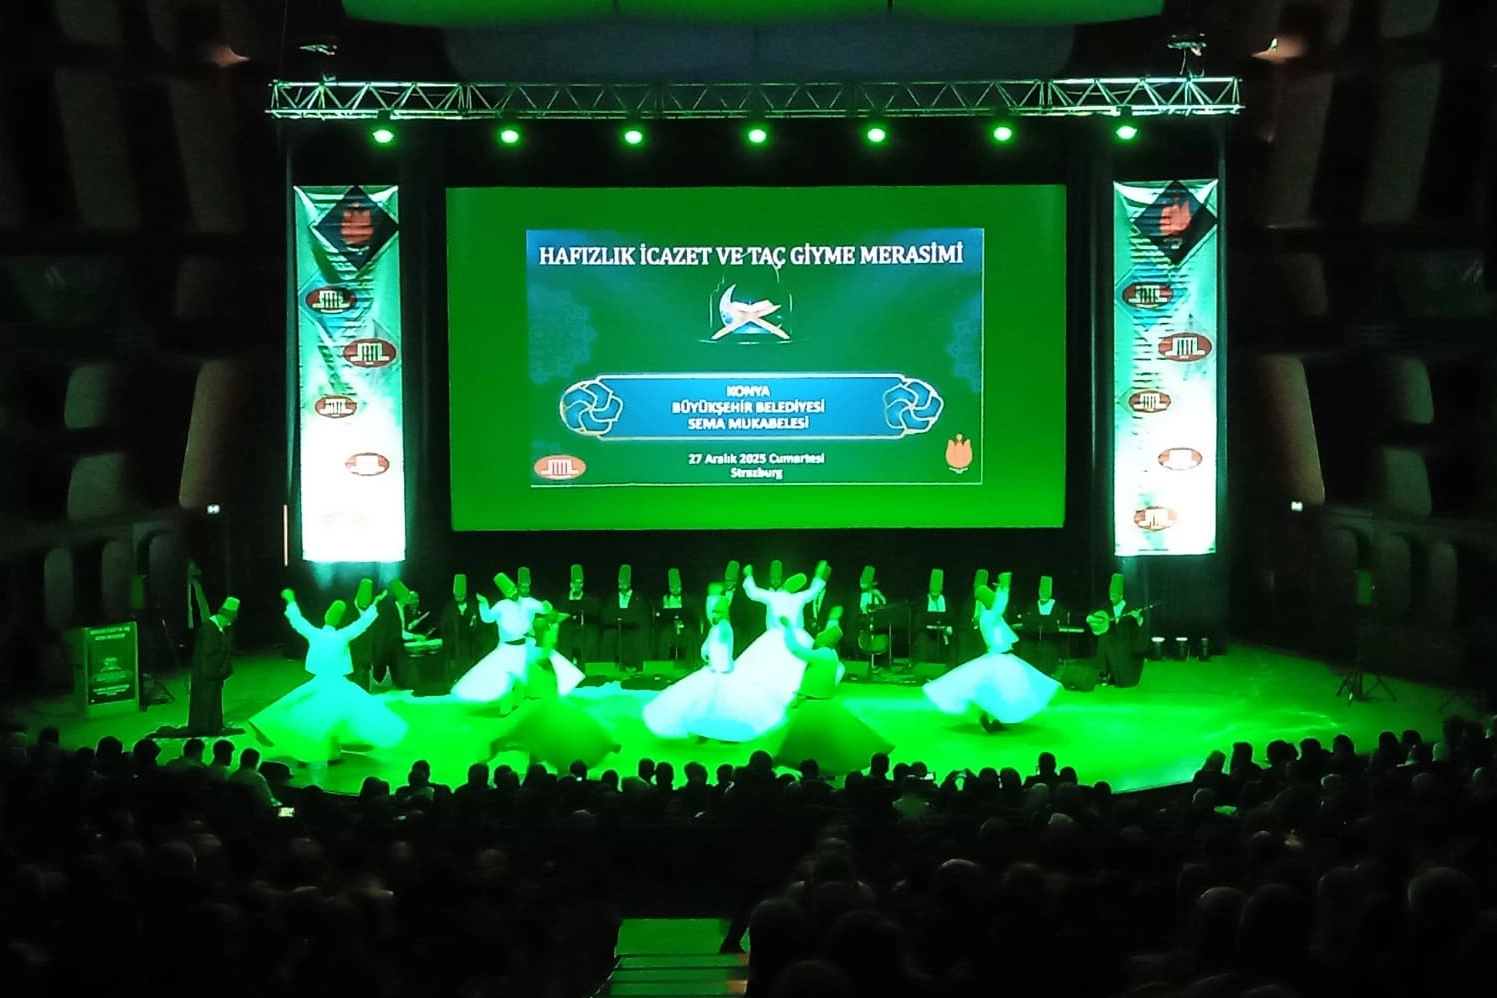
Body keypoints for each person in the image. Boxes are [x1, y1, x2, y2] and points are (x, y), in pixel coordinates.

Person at [247, 588, 409, 767]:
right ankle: (326, 752)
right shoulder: (342, 635)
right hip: (337, 684)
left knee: (311, 717)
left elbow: (297, 621)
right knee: (337, 718)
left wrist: (291, 602)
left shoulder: (315, 633)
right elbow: (361, 624)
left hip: (320, 683)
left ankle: (322, 751)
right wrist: (375, 604)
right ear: (339, 620)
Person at [642, 584, 788, 742]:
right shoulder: (715, 628)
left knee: (724, 706)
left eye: (718, 612)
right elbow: (708, 645)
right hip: (713, 670)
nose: (714, 615)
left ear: (724, 613)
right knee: (705, 704)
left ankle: (726, 733)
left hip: (722, 671)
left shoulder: (725, 628)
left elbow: (724, 648)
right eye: (713, 612)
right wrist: (706, 653)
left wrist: (720, 665)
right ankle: (703, 730)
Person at [922, 572, 1060, 731]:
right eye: (990, 597)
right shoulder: (988, 617)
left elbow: (999, 606)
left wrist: (1002, 590)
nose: (993, 599)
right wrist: (1005, 587)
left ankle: (993, 718)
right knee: (1001, 689)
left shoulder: (988, 616)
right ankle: (989, 717)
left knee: (997, 690)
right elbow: (1000, 605)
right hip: (999, 658)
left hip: (1000, 657)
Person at [485, 607, 620, 769]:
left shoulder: (538, 652)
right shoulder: (532, 651)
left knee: (549, 732)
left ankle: (603, 743)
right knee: (532, 732)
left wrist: (553, 625)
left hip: (545, 701)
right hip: (538, 701)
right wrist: (554, 626)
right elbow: (544, 651)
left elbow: (547, 651)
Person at [771, 614, 891, 775]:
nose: (817, 637)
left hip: (813, 703)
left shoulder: (822, 655)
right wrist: (833, 619)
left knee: (797, 737)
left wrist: (788, 629)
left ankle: (785, 762)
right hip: (817, 701)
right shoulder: (831, 655)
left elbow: (795, 649)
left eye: (821, 635)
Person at [733, 560, 831, 702]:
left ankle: (784, 688)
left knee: (782, 663)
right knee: (790, 663)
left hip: (781, 635)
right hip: (792, 635)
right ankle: (790, 688)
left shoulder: (776, 596)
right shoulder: (797, 597)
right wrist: (820, 576)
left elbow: (753, 592)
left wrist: (748, 575)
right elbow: (814, 591)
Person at [452, 573, 546, 706]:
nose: (513, 592)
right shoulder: (501, 605)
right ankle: (506, 705)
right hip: (506, 648)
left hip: (523, 645)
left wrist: (546, 607)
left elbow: (541, 607)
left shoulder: (526, 602)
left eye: (513, 589)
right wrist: (484, 604)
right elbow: (487, 618)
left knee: (522, 675)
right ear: (505, 594)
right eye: (509, 591)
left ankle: (519, 701)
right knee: (507, 679)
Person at [187, 596, 239, 735]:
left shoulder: (218, 628)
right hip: (206, 674)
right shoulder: (209, 629)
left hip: (212, 674)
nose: (229, 624)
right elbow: (209, 655)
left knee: (213, 700)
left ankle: (213, 726)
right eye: (229, 620)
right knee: (206, 700)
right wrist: (223, 668)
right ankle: (206, 727)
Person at [1093, 572, 1147, 686]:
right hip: (1111, 641)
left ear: (1121, 596)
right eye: (1110, 595)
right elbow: (1096, 619)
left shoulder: (1130, 608)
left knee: (1118, 649)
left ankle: (1120, 676)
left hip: (1126, 643)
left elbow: (1139, 629)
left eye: (1114, 596)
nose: (1111, 598)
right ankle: (1104, 674)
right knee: (1103, 639)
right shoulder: (1106, 607)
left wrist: (1138, 618)